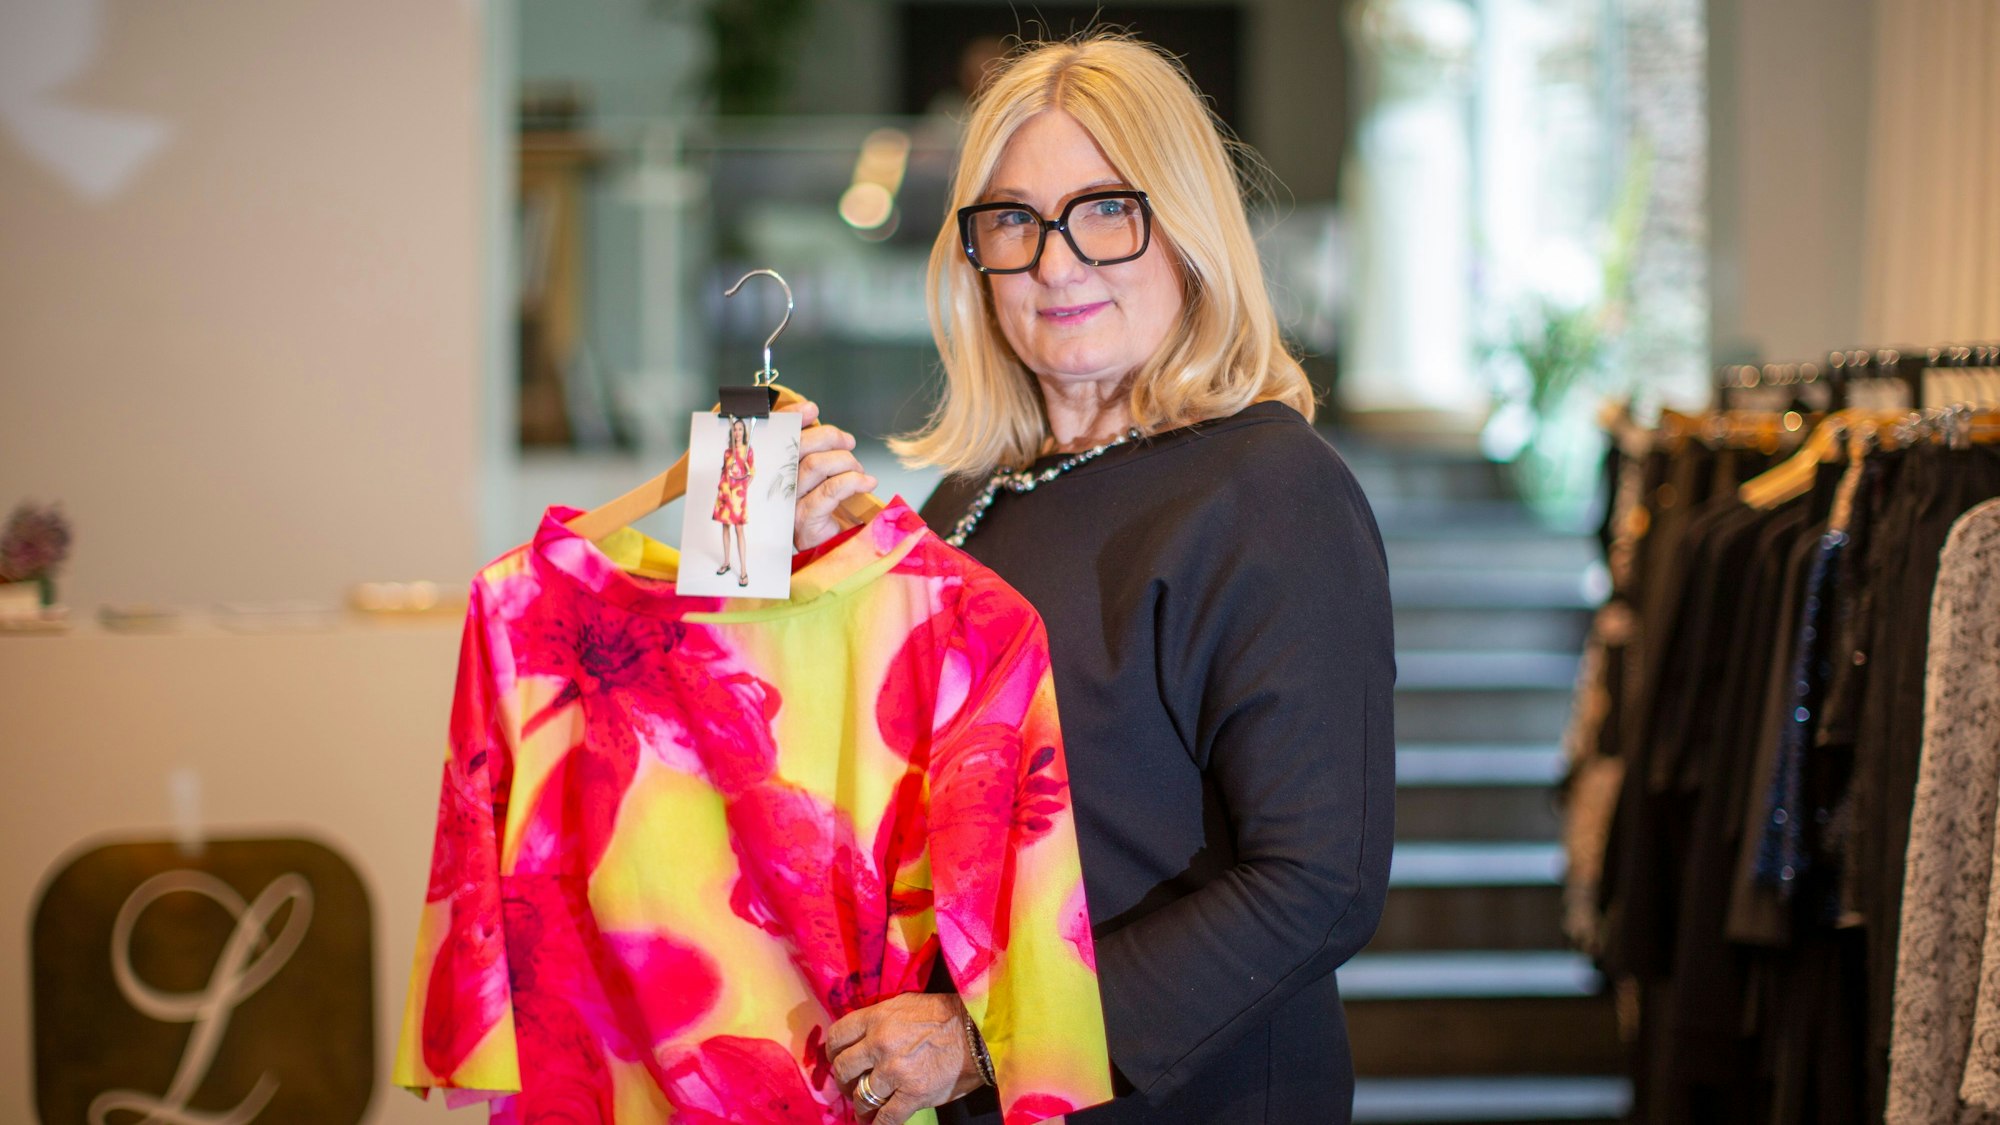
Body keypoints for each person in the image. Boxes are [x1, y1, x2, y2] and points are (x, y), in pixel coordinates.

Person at [785, 33, 1395, 1125]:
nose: (1056, 264)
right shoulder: (974, 493)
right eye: (1013, 220)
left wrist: (990, 1040)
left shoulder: (1267, 490)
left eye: (1104, 211)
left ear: (1188, 233)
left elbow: (1318, 886)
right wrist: (821, 566)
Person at [713, 416, 754, 587]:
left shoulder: (748, 450)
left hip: (738, 497)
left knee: (739, 531)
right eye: (735, 429)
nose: (737, 432)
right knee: (725, 527)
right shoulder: (727, 452)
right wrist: (723, 490)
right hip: (724, 494)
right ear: (732, 431)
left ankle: (743, 570)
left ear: (744, 432)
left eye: (740, 429)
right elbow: (724, 472)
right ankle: (727, 561)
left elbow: (751, 473)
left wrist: (743, 489)